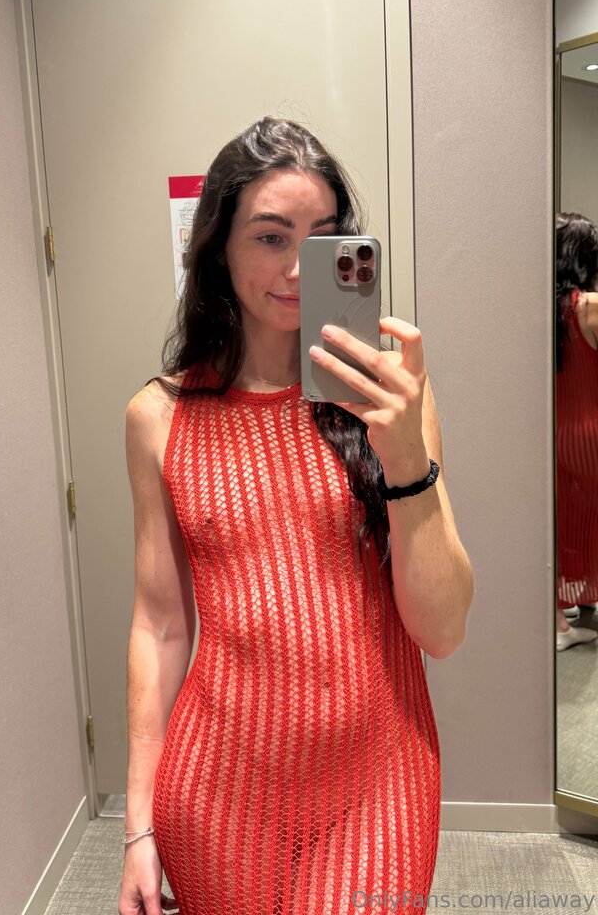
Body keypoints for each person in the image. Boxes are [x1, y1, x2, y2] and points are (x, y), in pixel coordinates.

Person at [118, 117, 474, 915]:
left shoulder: (394, 400)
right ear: (219, 249)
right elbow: (159, 626)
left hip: (378, 780)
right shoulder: (159, 418)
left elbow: (444, 630)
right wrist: (138, 826)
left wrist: (405, 456)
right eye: (271, 237)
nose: (296, 269)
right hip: (217, 791)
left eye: (322, 240)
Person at [555, 212, 598, 652]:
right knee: (591, 521)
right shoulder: (590, 306)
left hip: (552, 434)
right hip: (590, 434)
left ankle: (561, 615)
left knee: (561, 522)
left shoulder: (542, 309)